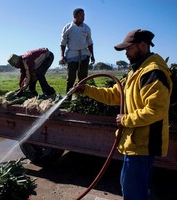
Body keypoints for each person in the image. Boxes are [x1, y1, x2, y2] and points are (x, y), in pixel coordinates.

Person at [73, 29, 172, 200]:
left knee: (133, 193)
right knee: (134, 190)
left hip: (143, 145)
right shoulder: (137, 71)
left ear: (142, 45)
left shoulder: (152, 72)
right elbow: (115, 95)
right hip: (135, 142)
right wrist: (86, 90)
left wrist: (125, 119)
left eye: (128, 49)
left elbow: (156, 110)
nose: (126, 53)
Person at [59, 8, 95, 100]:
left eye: (84, 15)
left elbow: (90, 42)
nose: (83, 17)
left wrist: (92, 56)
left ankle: (82, 98)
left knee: (83, 78)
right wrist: (62, 56)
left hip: (84, 54)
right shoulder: (68, 27)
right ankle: (68, 98)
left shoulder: (86, 28)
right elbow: (63, 43)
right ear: (75, 16)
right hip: (71, 55)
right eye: (81, 15)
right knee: (71, 78)